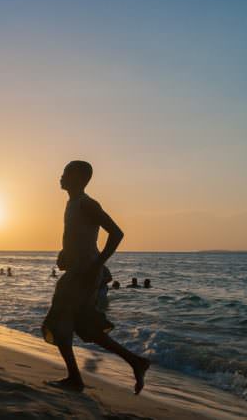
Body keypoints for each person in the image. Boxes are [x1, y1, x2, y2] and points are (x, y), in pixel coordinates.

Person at [42, 161, 150, 394]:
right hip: (78, 270)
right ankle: (136, 362)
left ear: (79, 178)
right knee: (85, 326)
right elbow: (79, 237)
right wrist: (65, 253)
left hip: (86, 273)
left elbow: (117, 233)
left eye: (66, 173)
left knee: (59, 322)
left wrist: (97, 264)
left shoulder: (87, 203)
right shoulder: (71, 203)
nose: (60, 176)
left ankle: (75, 379)